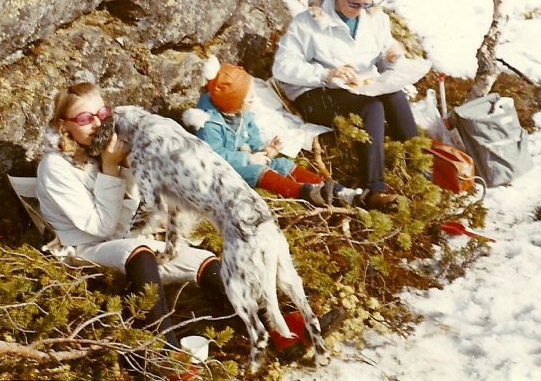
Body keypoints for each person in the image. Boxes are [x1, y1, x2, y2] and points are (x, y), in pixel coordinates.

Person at [36, 82, 345, 364]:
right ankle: (167, 356)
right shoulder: (55, 166)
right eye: (83, 118)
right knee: (139, 253)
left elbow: (137, 205)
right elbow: (100, 228)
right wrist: (110, 167)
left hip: (125, 236)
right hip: (85, 247)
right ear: (63, 125)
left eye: (102, 113)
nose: (97, 123)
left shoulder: (109, 147)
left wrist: (126, 167)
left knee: (205, 262)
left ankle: (283, 329)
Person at [272, 0, 419, 212]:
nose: (360, 10)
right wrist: (326, 74)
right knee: (371, 107)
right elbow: (282, 66)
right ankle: (374, 188)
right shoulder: (309, 23)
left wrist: (391, 58)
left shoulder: (374, 17)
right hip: (315, 94)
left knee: (394, 95)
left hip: (358, 87)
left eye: (366, 4)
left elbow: (381, 58)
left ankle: (420, 167)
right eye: (354, 4)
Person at [183, 56, 366, 208]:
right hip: (223, 171)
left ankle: (337, 191)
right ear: (233, 103)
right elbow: (215, 155)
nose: (254, 100)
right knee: (257, 170)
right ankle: (305, 192)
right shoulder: (209, 123)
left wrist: (264, 151)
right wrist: (249, 159)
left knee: (281, 164)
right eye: (250, 98)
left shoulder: (242, 113)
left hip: (245, 159)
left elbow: (252, 134)